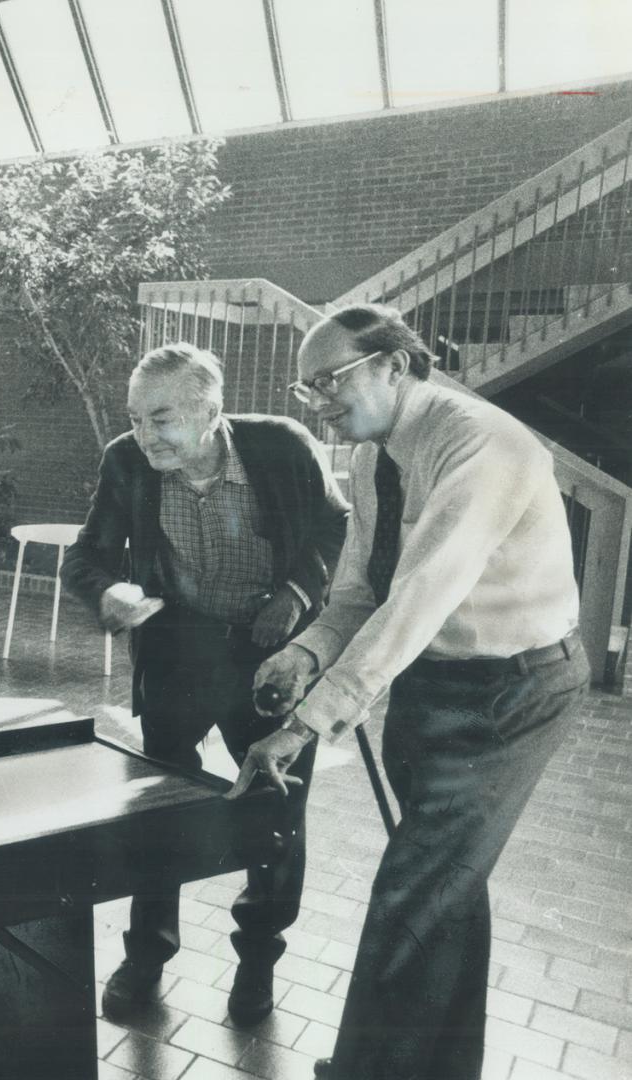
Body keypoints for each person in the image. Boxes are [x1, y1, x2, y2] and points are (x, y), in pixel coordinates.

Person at [227, 305, 589, 1080]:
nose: (318, 399)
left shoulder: (480, 445)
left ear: (394, 362)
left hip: (513, 693)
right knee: (442, 888)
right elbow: (361, 588)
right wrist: (306, 651)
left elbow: (419, 595)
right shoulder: (374, 452)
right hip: (432, 679)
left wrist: (302, 726)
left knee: (412, 893)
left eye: (331, 379)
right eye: (307, 386)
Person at [60, 342, 349, 1026]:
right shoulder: (125, 461)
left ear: (211, 411)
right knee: (155, 809)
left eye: (158, 419)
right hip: (177, 654)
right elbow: (86, 555)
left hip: (270, 660)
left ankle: (256, 961)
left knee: (274, 812)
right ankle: (146, 956)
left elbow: (335, 524)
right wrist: (109, 594)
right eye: (134, 418)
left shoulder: (281, 446)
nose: (141, 435)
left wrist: (297, 593)